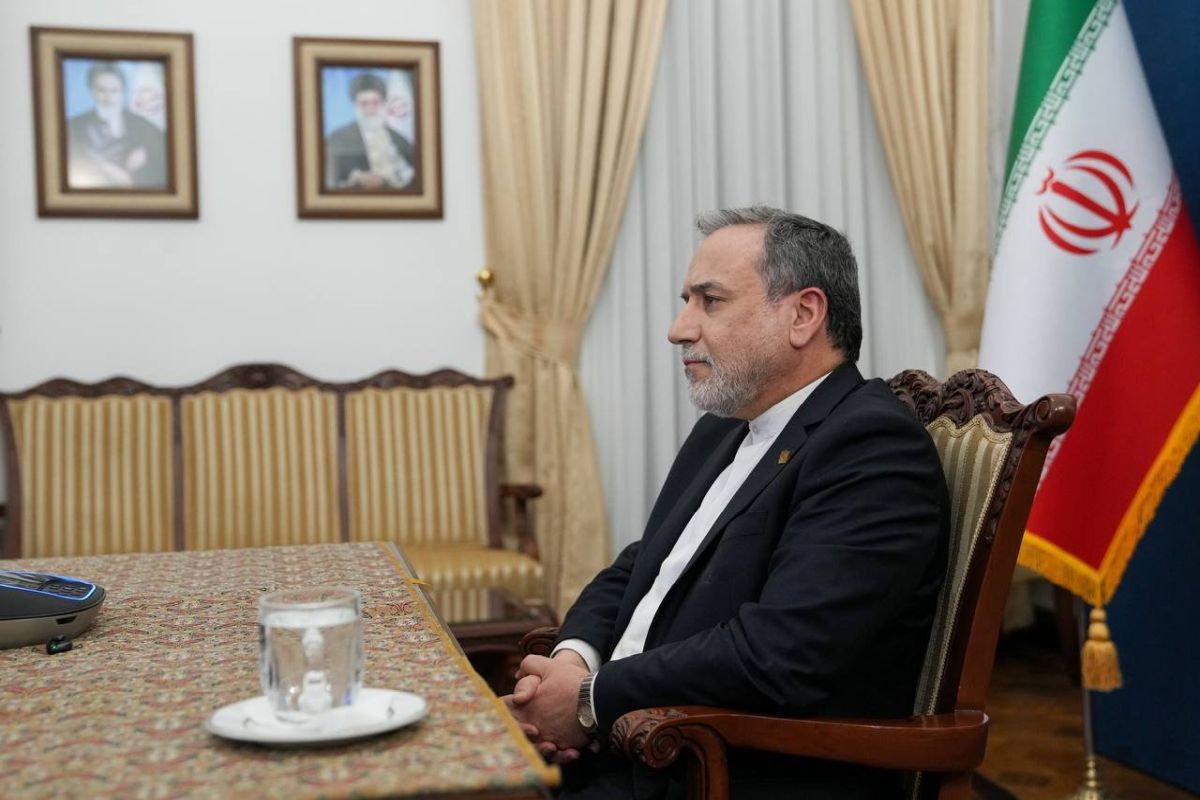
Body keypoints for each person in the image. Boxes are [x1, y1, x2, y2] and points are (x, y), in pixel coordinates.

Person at [506, 206, 950, 799]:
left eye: (709, 301)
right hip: (631, 749)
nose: (679, 328)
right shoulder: (725, 427)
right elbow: (644, 565)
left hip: (724, 771)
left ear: (804, 315)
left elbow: (779, 654)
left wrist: (590, 701)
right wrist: (574, 660)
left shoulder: (871, 447)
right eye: (686, 301)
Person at [66, 61, 167, 189]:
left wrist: (147, 153)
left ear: (122, 92)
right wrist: (106, 168)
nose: (108, 97)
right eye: (101, 90)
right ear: (91, 90)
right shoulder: (73, 126)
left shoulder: (143, 125)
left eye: (114, 91)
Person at [324, 71, 416, 190]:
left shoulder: (400, 140)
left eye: (375, 103)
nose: (370, 109)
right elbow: (329, 183)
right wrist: (354, 181)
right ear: (354, 105)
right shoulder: (336, 139)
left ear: (384, 104)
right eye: (364, 103)